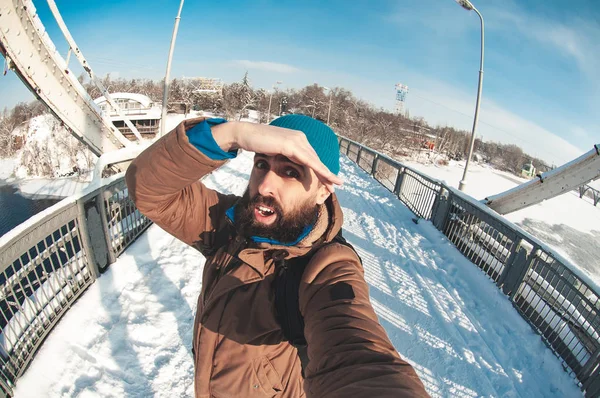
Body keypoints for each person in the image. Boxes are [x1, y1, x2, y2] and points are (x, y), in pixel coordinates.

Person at [126, 115, 428, 397]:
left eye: (290, 172)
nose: (265, 185)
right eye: (261, 164)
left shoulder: (326, 267)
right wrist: (234, 133)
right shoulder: (230, 224)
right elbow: (148, 187)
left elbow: (355, 351)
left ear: (323, 192)